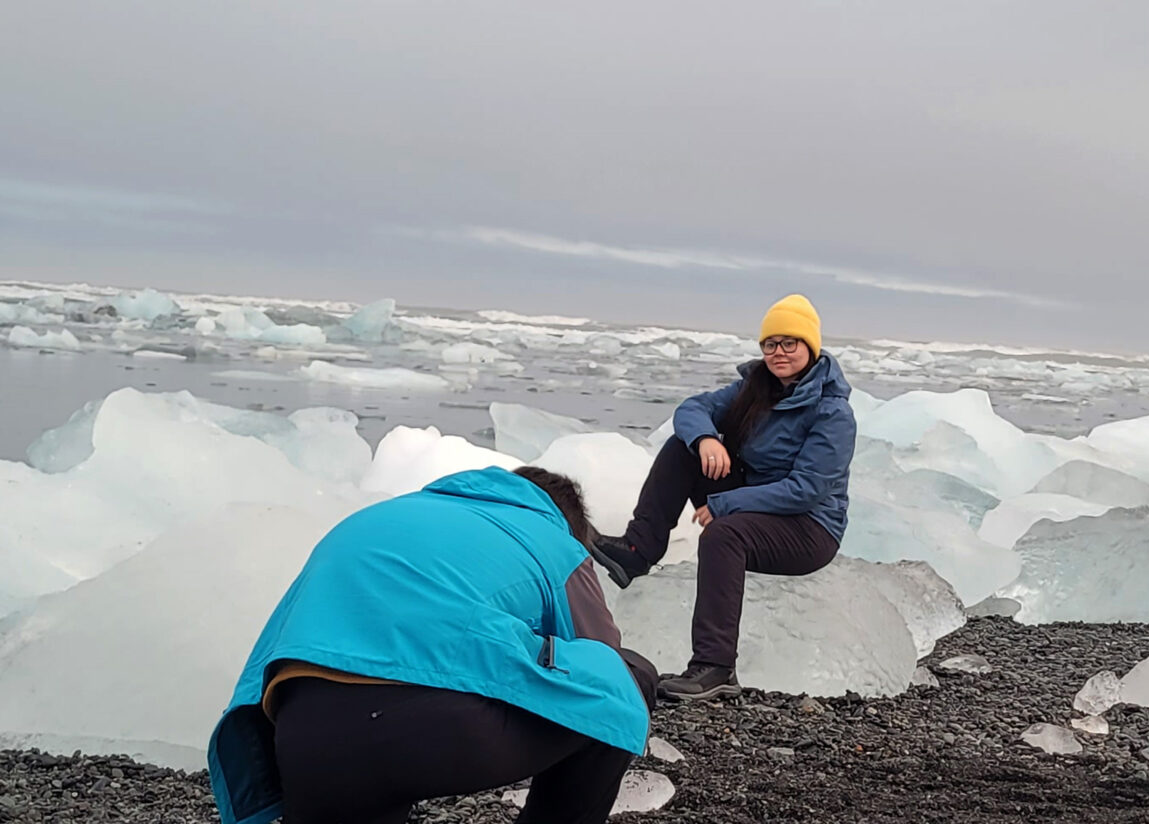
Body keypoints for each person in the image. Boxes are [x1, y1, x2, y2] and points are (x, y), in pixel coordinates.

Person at [207, 465, 656, 824]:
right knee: (628, 682)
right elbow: (601, 666)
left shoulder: (389, 514)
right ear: (567, 522)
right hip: (432, 732)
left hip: (304, 733)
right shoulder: (553, 539)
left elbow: (274, 650)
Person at [591, 294, 856, 701]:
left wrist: (725, 504)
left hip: (809, 528)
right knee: (683, 448)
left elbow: (808, 490)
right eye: (770, 343)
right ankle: (636, 550)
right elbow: (692, 408)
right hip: (754, 500)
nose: (778, 352)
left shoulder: (832, 411)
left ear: (810, 346)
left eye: (790, 343)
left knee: (724, 535)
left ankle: (715, 668)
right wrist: (706, 439)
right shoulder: (755, 388)